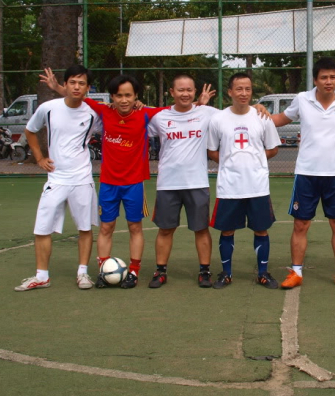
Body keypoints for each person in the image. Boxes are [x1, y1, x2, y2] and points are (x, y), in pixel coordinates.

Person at [39, 69, 214, 288]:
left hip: (134, 183)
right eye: (119, 95)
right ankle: (104, 271)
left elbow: (181, 108)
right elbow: (79, 95)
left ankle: (134, 271)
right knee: (106, 227)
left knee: (135, 227)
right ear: (112, 97)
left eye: (129, 95)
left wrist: (199, 103)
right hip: (109, 183)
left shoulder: (147, 115)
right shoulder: (104, 112)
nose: (124, 99)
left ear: (136, 97)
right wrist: (57, 87)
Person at [148, 75, 267, 289]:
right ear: (171, 92)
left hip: (197, 182)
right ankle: (160, 271)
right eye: (180, 90)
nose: (185, 93)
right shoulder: (159, 118)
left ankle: (204, 271)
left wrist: (257, 106)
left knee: (201, 229)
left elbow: (238, 113)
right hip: (167, 184)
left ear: (195, 92)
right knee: (165, 229)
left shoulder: (209, 114)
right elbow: (134, 123)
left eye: (189, 90)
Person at [272, 57, 335, 289]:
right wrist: (253, 114)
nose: (328, 81)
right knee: (301, 225)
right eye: (324, 77)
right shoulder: (302, 99)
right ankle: (296, 272)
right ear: (315, 79)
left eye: (332, 77)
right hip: (306, 173)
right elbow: (281, 119)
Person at [15, 64, 102, 291]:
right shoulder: (48, 108)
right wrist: (39, 157)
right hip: (56, 178)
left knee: (85, 227)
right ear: (65, 84)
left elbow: (122, 118)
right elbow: (30, 131)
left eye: (81, 83)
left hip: (82, 178)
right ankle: (42, 276)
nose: (76, 87)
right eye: (72, 82)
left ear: (88, 88)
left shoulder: (94, 113)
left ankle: (83, 273)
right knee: (42, 228)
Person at [206, 73, 280, 289]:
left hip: (257, 185)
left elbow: (273, 148)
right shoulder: (218, 119)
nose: (244, 93)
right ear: (230, 92)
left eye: (247, 89)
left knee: (261, 229)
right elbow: (212, 151)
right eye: (239, 89)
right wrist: (231, 162)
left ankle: (263, 273)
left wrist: (254, 159)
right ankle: (226, 274)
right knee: (227, 230)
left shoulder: (262, 117)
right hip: (229, 187)